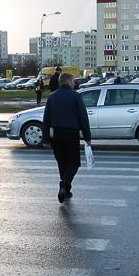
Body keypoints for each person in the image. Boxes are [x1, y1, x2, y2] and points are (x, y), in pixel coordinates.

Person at [42, 72, 92, 203]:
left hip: (57, 134)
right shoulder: (76, 96)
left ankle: (66, 190)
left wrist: (46, 139)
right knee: (74, 163)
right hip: (71, 134)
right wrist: (87, 136)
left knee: (62, 162)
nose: (75, 83)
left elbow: (46, 119)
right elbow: (83, 117)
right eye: (73, 81)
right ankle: (64, 184)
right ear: (68, 81)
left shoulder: (52, 96)